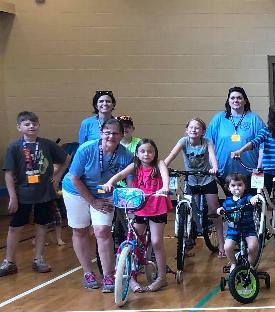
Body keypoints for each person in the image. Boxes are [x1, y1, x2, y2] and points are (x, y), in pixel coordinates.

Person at [62, 118, 133, 291]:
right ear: (101, 133)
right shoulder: (86, 149)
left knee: (102, 231)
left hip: (104, 194)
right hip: (76, 191)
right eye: (107, 132)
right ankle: (88, 272)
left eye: (115, 133)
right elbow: (75, 178)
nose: (111, 136)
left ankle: (108, 276)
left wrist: (130, 208)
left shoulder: (126, 155)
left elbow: (131, 185)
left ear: (122, 135)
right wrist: (92, 202)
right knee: (80, 229)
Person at [1, 111, 68, 276]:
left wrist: (57, 176)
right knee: (15, 227)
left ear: (38, 125)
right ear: (19, 127)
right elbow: (8, 174)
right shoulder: (14, 147)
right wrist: (13, 197)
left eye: (34, 123)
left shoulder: (46, 144)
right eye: (27, 124)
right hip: (22, 194)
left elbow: (66, 158)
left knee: (42, 225)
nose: (31, 126)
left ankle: (38, 258)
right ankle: (9, 261)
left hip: (44, 193)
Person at [101, 139, 172, 292]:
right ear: (137, 154)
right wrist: (110, 182)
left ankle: (162, 277)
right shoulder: (135, 165)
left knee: (156, 241)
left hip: (157, 205)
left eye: (150, 151)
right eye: (143, 151)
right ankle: (130, 277)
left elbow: (166, 177)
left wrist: (165, 188)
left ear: (155, 153)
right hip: (140, 205)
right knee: (132, 241)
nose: (147, 154)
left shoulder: (159, 164)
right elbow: (120, 174)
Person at [232, 102, 275, 250]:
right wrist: (240, 151)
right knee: (251, 197)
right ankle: (252, 229)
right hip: (267, 170)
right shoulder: (266, 130)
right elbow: (254, 143)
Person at [163, 118, 223, 258]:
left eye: (197, 128)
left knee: (214, 210)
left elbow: (212, 156)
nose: (193, 130)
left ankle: (221, 242)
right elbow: (172, 155)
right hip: (191, 179)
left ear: (203, 131)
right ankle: (187, 241)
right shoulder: (183, 141)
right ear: (186, 129)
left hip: (206, 178)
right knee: (189, 209)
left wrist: (214, 168)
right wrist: (163, 166)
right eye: (191, 127)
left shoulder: (207, 142)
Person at [206, 86, 267, 186]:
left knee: (251, 201)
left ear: (245, 101)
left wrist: (259, 168)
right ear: (228, 101)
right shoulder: (219, 118)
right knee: (230, 201)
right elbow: (208, 144)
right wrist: (213, 167)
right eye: (232, 98)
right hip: (223, 172)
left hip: (251, 172)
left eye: (239, 98)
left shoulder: (254, 119)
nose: (236, 100)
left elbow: (263, 145)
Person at [217, 174, 261, 275]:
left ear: (244, 186)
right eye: (233, 185)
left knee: (253, 246)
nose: (237, 188)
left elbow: (251, 199)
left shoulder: (247, 198)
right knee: (227, 247)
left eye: (239, 185)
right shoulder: (228, 201)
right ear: (228, 188)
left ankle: (250, 263)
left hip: (248, 229)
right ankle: (233, 262)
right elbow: (223, 208)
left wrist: (253, 200)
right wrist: (220, 210)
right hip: (233, 230)